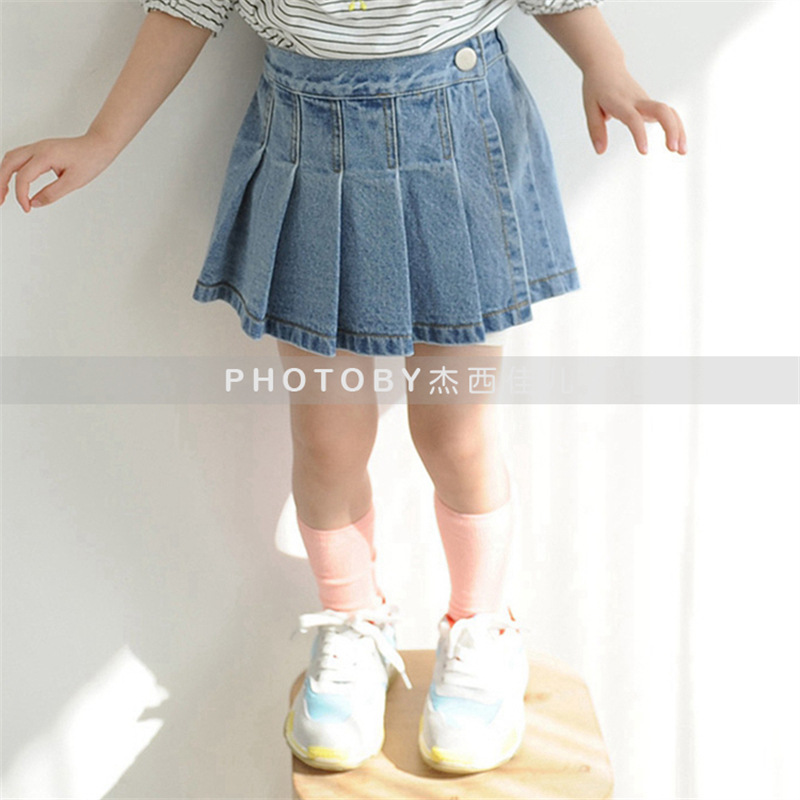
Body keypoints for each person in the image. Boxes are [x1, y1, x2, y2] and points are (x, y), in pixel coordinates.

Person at [0, 0, 686, 776]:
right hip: (309, 144)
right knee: (326, 437)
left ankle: (483, 626)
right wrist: (101, 138)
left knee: (454, 432)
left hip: (456, 132)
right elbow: (185, 9)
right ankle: (353, 620)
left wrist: (607, 67)